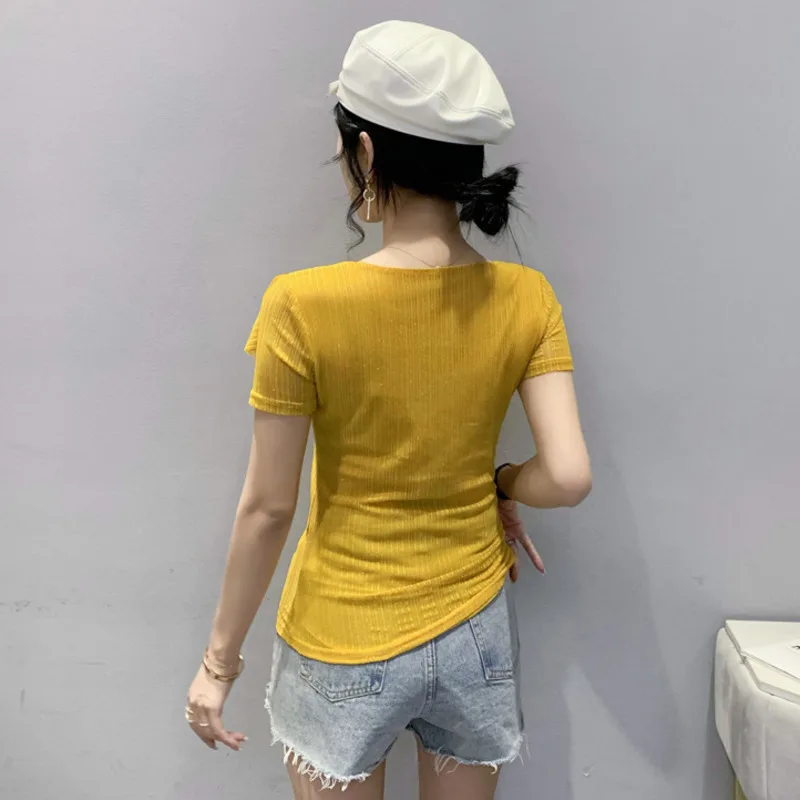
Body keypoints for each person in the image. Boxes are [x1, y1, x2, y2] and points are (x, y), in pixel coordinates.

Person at [185, 20, 591, 800]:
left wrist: (218, 665)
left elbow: (268, 508)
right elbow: (569, 476)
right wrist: (502, 482)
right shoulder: (526, 296)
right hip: (473, 630)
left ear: (366, 153)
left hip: (343, 633)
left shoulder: (302, 304)